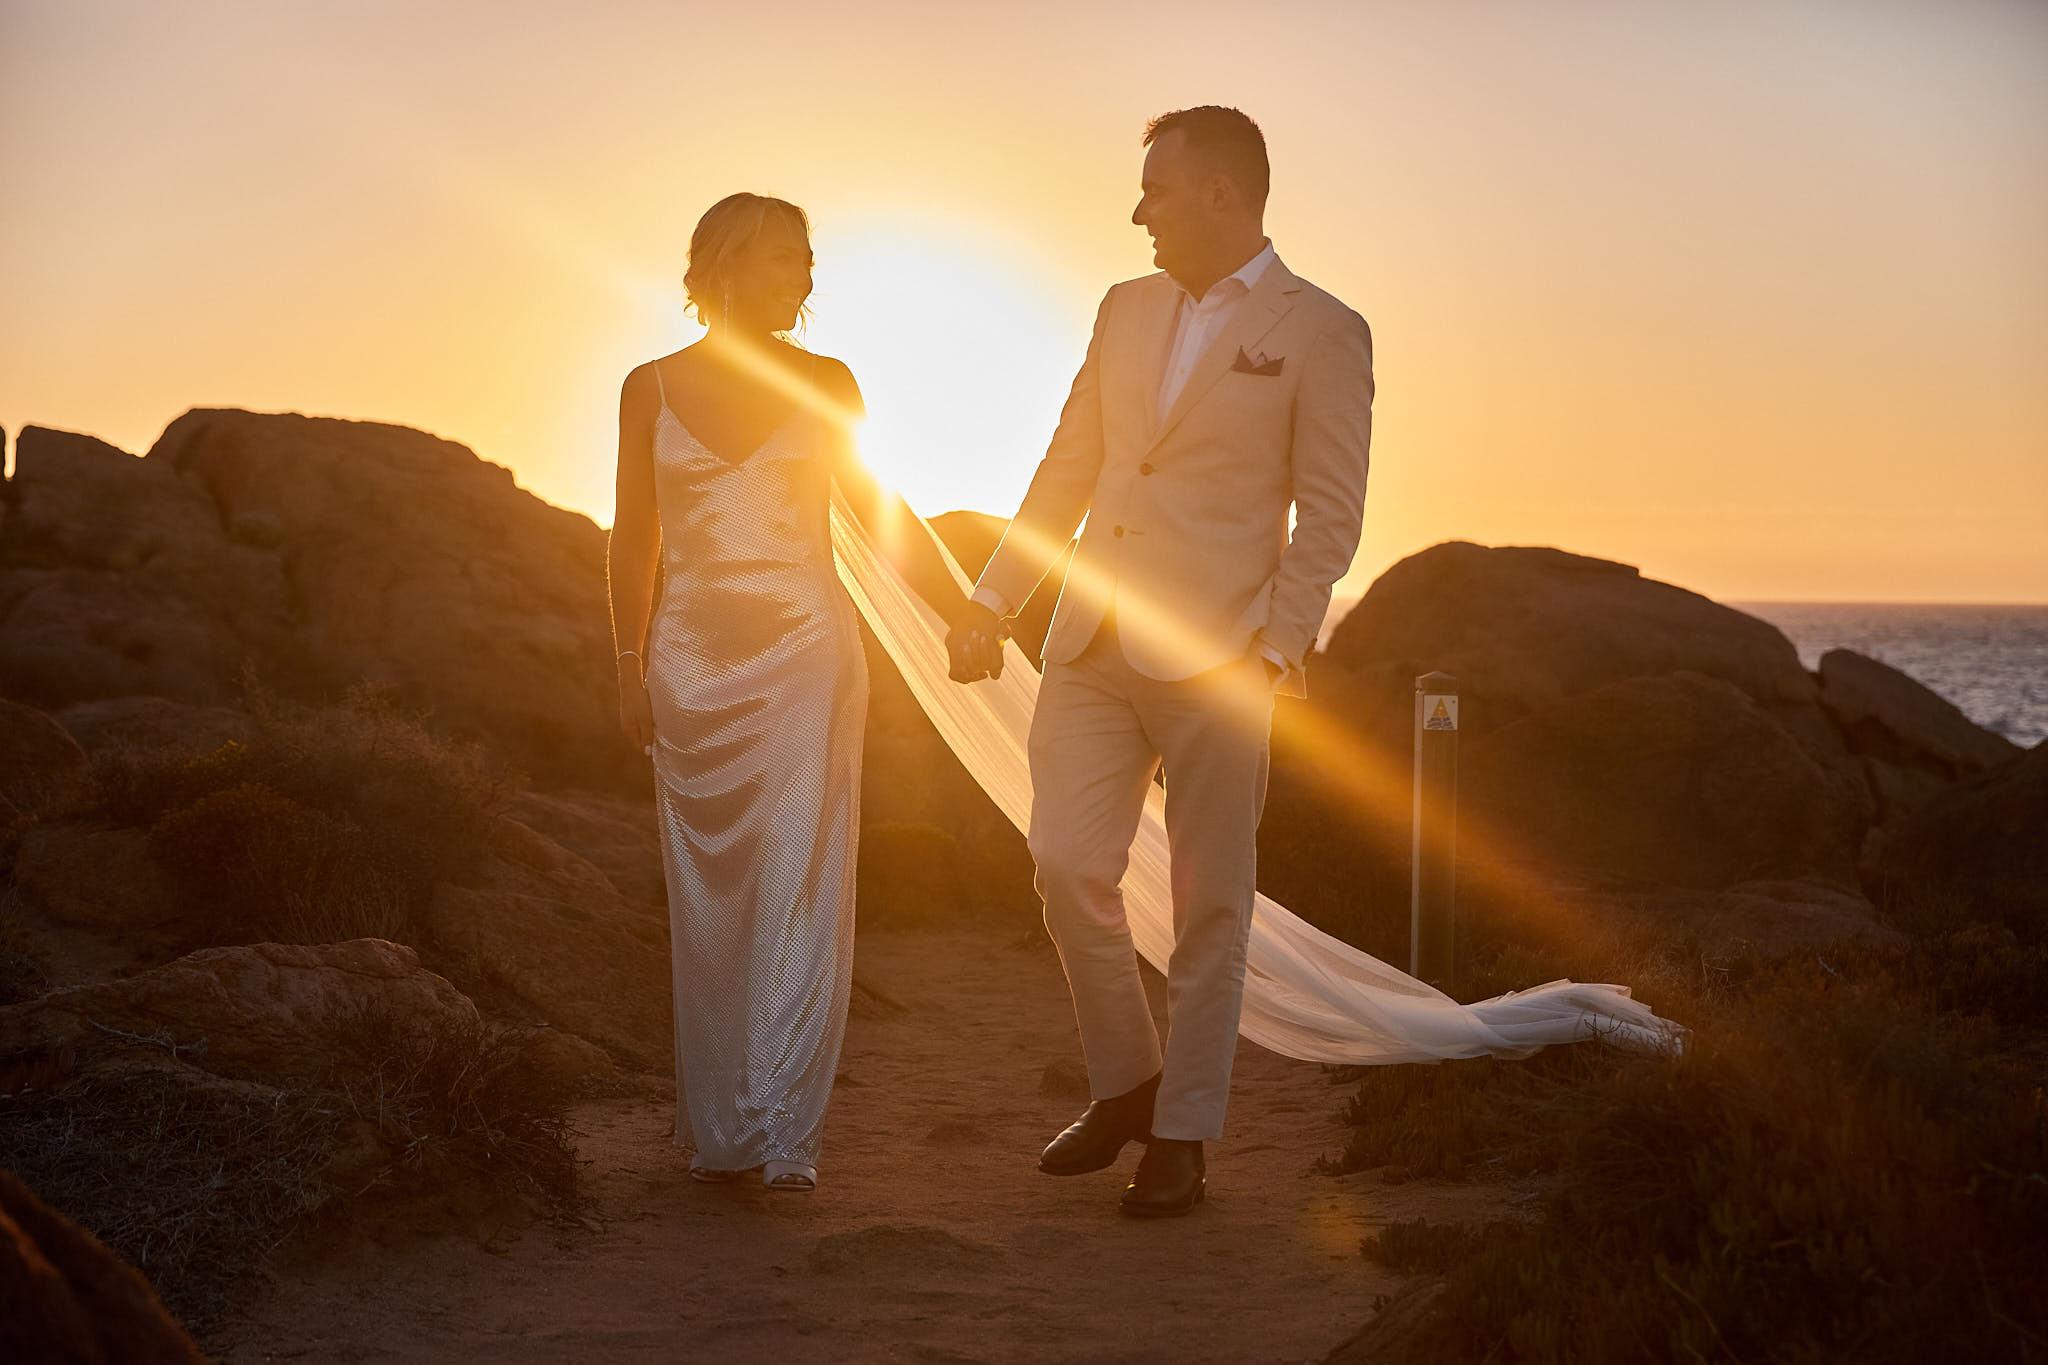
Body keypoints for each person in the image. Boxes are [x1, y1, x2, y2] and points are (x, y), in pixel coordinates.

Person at [946, 106, 1375, 1217]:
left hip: (1221, 659)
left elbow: (1328, 517)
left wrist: (1272, 653)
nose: (1138, 209)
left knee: (1208, 906)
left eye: (1156, 188)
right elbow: (1068, 463)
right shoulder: (1121, 308)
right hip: (1087, 640)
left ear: (1222, 194)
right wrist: (994, 596)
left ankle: (1181, 1133)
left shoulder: (1322, 330)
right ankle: (1127, 1081)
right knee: (1063, 865)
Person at [607, 193, 977, 1193]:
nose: (803, 277)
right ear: (721, 266)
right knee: (708, 904)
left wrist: (963, 608)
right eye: (782, 259)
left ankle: (775, 1128)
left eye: (807, 259)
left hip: (807, 657)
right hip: (685, 668)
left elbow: (878, 508)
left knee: (793, 885)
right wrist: (626, 664)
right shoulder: (647, 387)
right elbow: (631, 536)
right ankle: (722, 1120)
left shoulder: (829, 382)